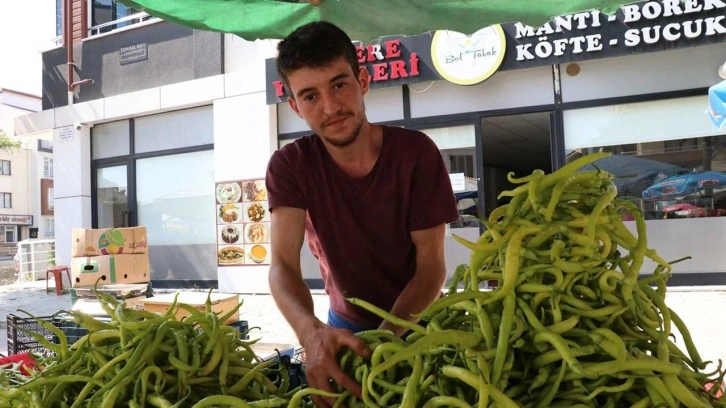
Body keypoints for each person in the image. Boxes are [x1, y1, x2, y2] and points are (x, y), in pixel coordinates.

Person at [265, 21, 459, 407]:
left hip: (421, 326)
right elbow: (282, 265)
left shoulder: (416, 154)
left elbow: (431, 268)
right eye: (310, 96)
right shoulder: (290, 165)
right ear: (293, 106)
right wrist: (310, 334)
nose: (331, 107)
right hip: (340, 329)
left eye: (339, 85)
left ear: (364, 81)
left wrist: (383, 345)